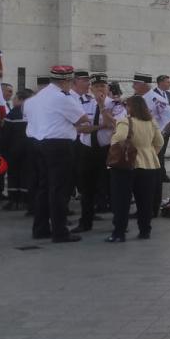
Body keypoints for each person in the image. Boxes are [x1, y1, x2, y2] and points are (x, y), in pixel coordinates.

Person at [25, 66, 89, 242]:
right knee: (59, 190)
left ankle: (40, 228)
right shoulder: (61, 98)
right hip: (58, 146)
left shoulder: (34, 99)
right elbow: (83, 118)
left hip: (37, 144)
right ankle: (60, 231)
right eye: (71, 82)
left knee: (43, 188)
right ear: (65, 81)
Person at [106, 96, 163, 242]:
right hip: (149, 165)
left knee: (121, 201)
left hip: (126, 165)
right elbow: (159, 142)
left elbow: (119, 138)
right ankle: (145, 230)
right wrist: (149, 153)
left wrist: (113, 140)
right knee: (145, 201)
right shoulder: (151, 122)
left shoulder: (125, 121)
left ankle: (119, 233)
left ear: (130, 107)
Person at [72, 74, 118, 232]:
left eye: (103, 86)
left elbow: (116, 125)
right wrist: (101, 126)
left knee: (113, 187)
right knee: (87, 188)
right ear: (91, 88)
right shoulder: (82, 104)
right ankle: (86, 222)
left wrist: (102, 107)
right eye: (96, 86)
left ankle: (119, 223)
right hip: (87, 150)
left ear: (108, 88)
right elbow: (79, 128)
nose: (100, 89)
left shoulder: (115, 105)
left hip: (107, 150)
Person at [132, 73, 170, 193]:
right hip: (142, 141)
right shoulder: (139, 98)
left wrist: (163, 133)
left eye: (136, 83)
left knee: (152, 172)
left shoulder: (155, 98)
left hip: (152, 140)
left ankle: (152, 201)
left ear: (144, 85)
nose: (133, 86)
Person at [0, 88, 35, 211]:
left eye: (15, 98)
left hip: (14, 150)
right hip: (30, 149)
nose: (13, 100)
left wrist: (1, 149)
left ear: (21, 99)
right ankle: (25, 200)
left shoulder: (14, 113)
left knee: (13, 174)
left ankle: (14, 200)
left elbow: (5, 134)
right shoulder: (34, 112)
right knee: (27, 174)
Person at [151, 75, 170, 182]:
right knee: (157, 152)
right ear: (160, 82)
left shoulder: (169, 94)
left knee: (162, 152)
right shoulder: (153, 94)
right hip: (157, 128)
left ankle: (162, 174)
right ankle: (157, 175)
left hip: (167, 128)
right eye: (168, 82)